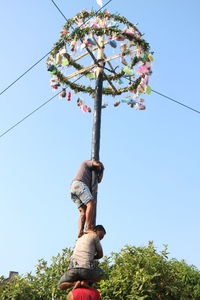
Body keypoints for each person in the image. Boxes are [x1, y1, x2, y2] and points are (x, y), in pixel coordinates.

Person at [59, 225, 106, 291]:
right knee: (102, 274)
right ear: (95, 231)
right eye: (101, 236)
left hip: (73, 269)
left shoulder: (80, 237)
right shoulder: (94, 236)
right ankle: (85, 282)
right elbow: (100, 255)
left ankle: (74, 284)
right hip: (86, 269)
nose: (100, 238)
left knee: (61, 285)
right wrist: (93, 257)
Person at [70, 160, 104, 238]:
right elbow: (98, 165)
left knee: (83, 212)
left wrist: (98, 174)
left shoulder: (88, 172)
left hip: (73, 188)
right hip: (79, 184)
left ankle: (80, 231)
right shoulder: (86, 162)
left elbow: (98, 181)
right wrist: (102, 170)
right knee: (91, 203)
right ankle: (88, 227)